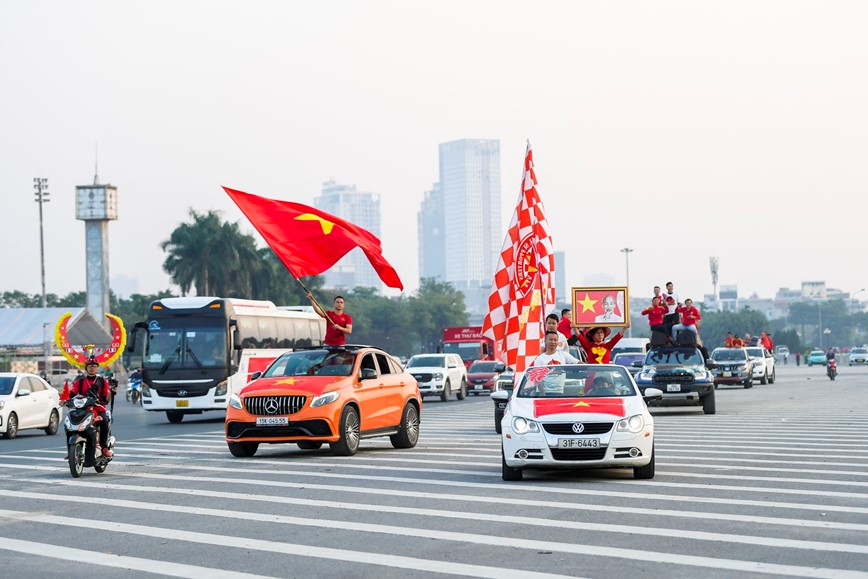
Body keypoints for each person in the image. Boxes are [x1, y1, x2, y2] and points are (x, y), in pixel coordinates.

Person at [69, 356, 114, 458]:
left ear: (97, 368)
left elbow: (106, 398)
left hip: (98, 407)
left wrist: (111, 392)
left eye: (94, 366)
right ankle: (71, 450)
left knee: (104, 422)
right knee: (71, 424)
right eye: (89, 366)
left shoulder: (102, 381)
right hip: (83, 409)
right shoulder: (80, 381)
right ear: (86, 368)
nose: (92, 368)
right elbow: (72, 393)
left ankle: (104, 448)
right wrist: (64, 399)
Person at [531, 331, 580, 395]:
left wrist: (590, 367)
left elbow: (578, 362)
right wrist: (543, 394)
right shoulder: (539, 359)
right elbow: (538, 379)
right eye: (551, 339)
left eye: (555, 340)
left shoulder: (564, 355)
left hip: (559, 392)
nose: (553, 342)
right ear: (545, 341)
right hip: (543, 393)